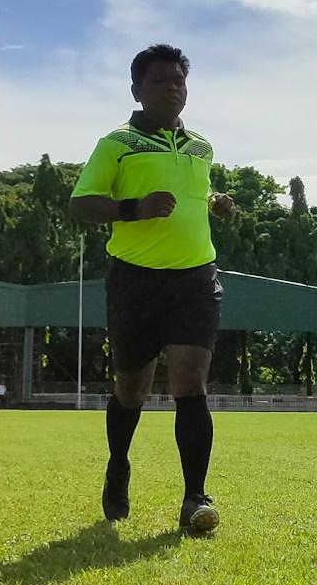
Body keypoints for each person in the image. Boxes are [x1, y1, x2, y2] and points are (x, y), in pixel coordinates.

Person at [69, 43, 238, 533]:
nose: (173, 88)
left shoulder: (201, 147)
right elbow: (81, 204)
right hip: (135, 280)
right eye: (160, 81)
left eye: (179, 80)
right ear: (137, 90)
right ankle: (118, 464)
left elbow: (190, 192)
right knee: (132, 388)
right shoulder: (116, 143)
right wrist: (132, 208)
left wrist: (214, 201)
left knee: (190, 382)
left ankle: (194, 499)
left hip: (195, 277)